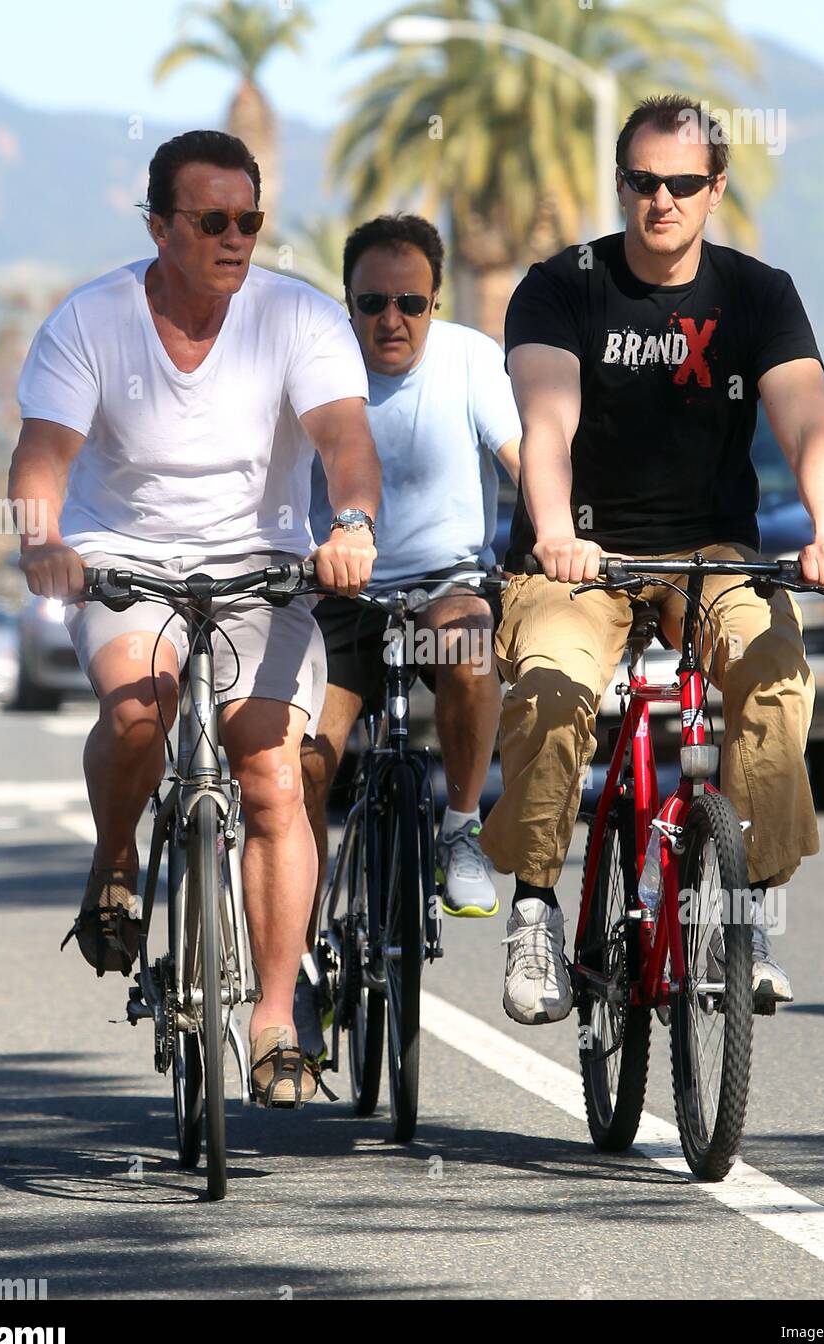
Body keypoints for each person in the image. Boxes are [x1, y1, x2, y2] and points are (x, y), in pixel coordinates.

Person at [9, 129, 380, 1105]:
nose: (233, 237)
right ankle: (117, 861)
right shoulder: (91, 319)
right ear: (158, 225)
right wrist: (45, 538)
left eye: (248, 219)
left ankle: (270, 1022)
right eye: (209, 219)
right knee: (140, 709)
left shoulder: (296, 318)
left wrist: (350, 522)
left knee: (267, 775)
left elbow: (344, 438)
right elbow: (44, 451)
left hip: (261, 568)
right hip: (124, 564)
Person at [479, 94, 824, 1025]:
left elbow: (806, 420)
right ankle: (535, 905)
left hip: (714, 554)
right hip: (584, 555)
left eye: (684, 183)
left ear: (715, 189)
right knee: (555, 686)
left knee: (775, 676)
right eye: (645, 182)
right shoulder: (561, 285)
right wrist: (559, 532)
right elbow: (547, 421)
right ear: (621, 185)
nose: (663, 199)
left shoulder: (758, 293)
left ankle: (745, 916)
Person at [298, 214, 521, 1056]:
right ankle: (302, 952)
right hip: (334, 596)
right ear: (346, 303)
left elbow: (518, 451)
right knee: (304, 761)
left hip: (442, 586)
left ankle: (460, 826)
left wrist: (560, 526)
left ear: (436, 302)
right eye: (373, 302)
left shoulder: (471, 358)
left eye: (412, 302)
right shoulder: (317, 365)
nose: (392, 320)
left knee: (469, 653)